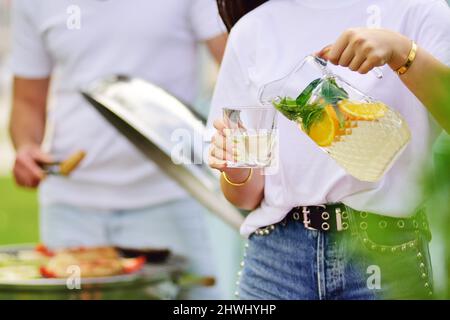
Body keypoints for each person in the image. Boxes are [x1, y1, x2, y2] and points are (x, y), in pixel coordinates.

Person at [208, 0, 450, 299]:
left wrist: (402, 53)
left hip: (385, 255)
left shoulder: (419, 10)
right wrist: (235, 165)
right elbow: (245, 196)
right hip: (276, 262)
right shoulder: (253, 29)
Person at [10, 0, 226, 299]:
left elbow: (237, 64)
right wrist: (26, 146)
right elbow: (27, 101)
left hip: (169, 197)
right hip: (71, 207)